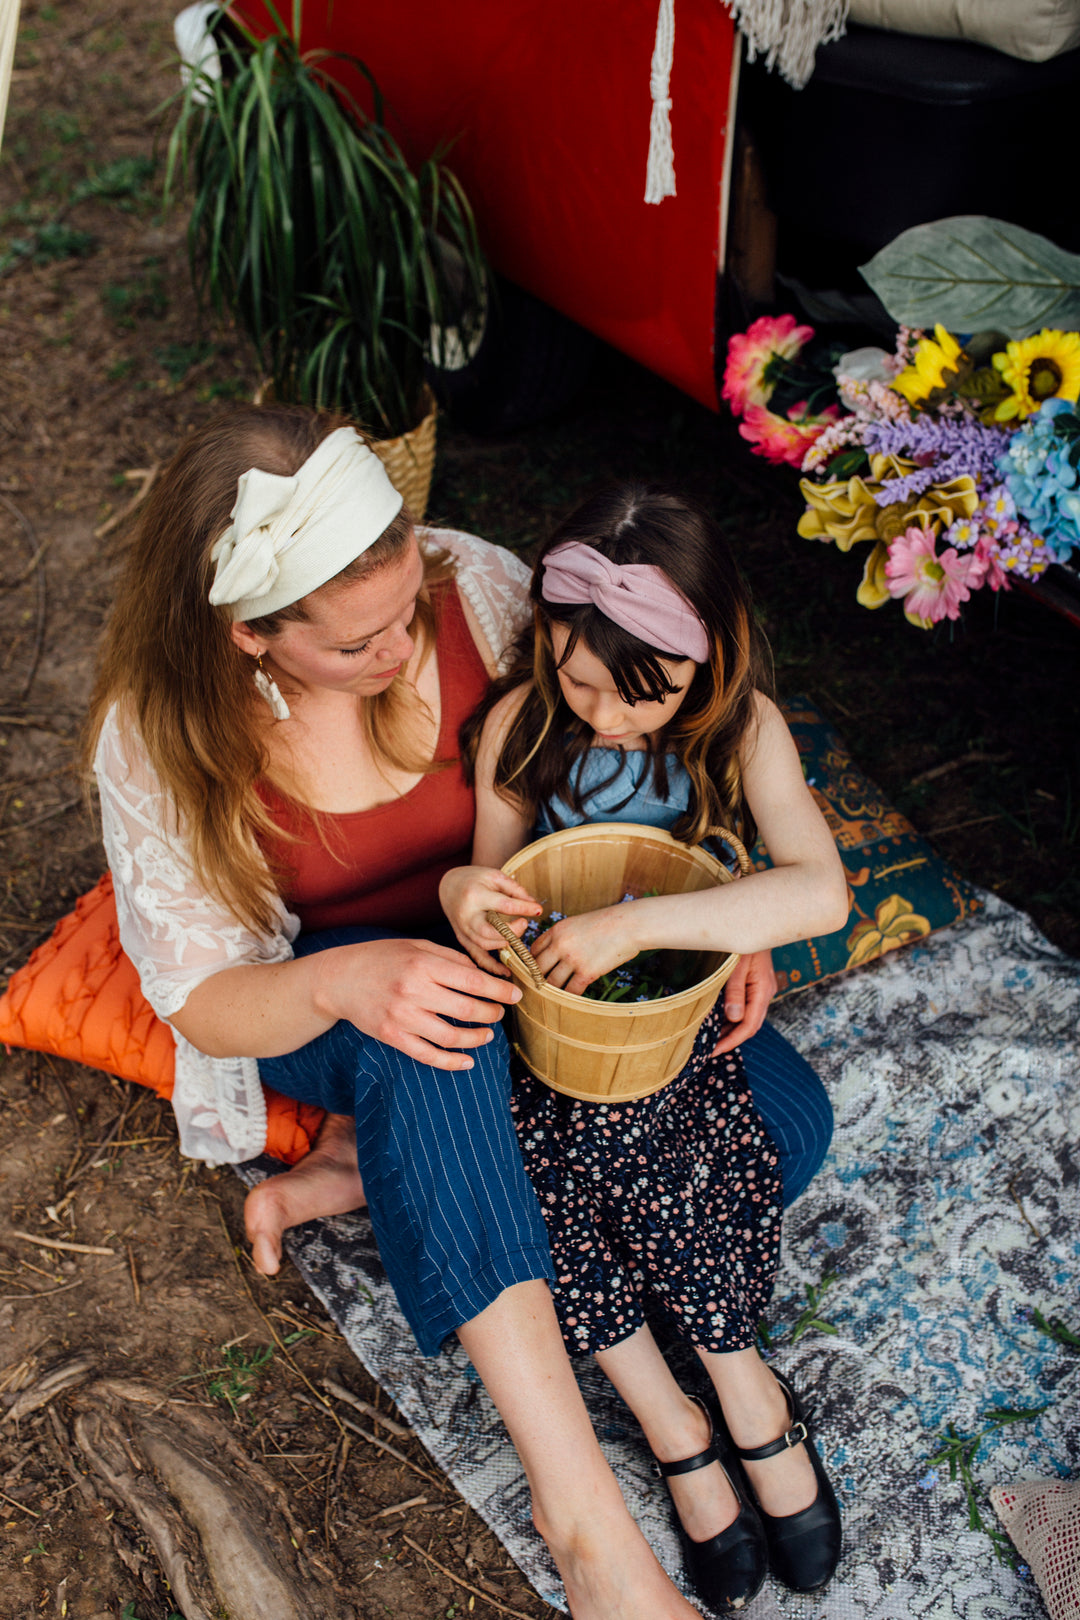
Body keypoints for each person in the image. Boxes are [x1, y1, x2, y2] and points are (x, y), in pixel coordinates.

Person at [86, 406, 722, 1620]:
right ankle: (586, 1523)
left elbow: (644, 720)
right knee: (433, 1054)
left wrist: (711, 919)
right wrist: (344, 979)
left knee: (768, 1124)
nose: (402, 640)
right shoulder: (160, 739)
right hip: (321, 985)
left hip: (513, 938)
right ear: (251, 636)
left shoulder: (470, 585)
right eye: (356, 642)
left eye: (406, 601)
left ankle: (386, 1164)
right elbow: (210, 1005)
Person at [439, 486, 850, 1611]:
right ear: (546, 642)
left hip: (672, 1023)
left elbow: (817, 893)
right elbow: (495, 882)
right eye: (580, 683)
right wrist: (472, 900)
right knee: (565, 1159)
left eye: (643, 696)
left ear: (709, 658)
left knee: (628, 1151)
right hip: (553, 1027)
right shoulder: (527, 723)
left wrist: (656, 923)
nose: (609, 720)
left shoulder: (743, 724)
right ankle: (703, 1409)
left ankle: (720, 1395)